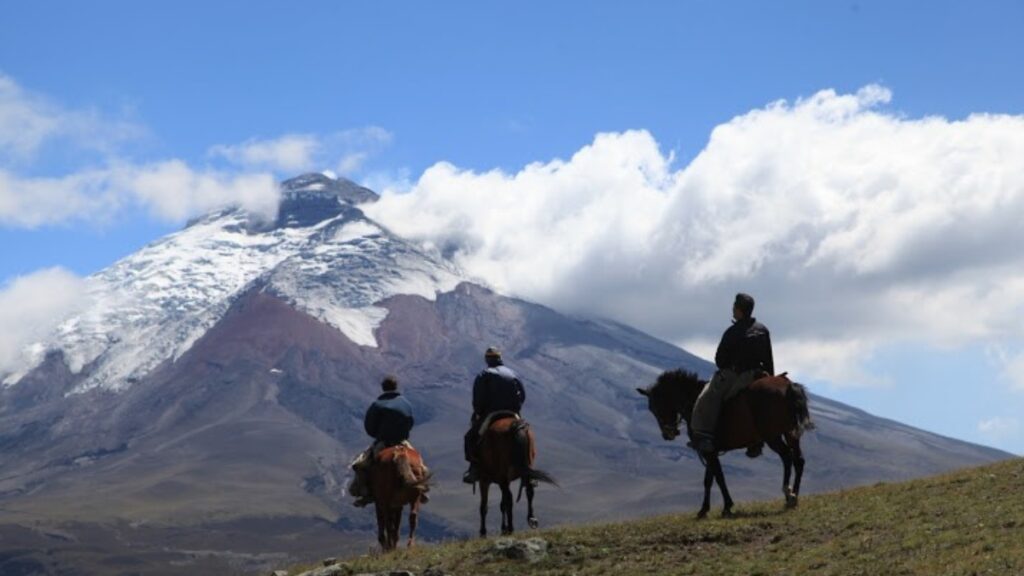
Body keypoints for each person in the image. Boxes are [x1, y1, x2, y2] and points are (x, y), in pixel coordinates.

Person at [689, 293, 774, 455]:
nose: (733, 310)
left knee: (709, 396)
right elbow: (769, 358)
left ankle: (705, 436)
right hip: (759, 373)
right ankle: (758, 442)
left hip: (737, 374)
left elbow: (720, 359)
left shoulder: (733, 331)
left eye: (734, 307)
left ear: (739, 310)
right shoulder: (763, 330)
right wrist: (770, 376)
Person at [349, 375, 418, 507]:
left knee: (361, 465)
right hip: (402, 441)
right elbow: (410, 422)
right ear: (396, 387)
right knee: (419, 463)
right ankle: (421, 488)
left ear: (383, 388)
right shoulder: (406, 404)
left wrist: (378, 434)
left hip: (383, 442)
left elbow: (369, 427)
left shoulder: (377, 405)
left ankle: (365, 492)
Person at [462, 347, 526, 484]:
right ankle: (528, 471)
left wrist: (478, 412)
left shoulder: (484, 374)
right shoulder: (513, 373)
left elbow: (478, 398)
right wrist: (516, 408)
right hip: (513, 412)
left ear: (487, 359)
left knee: (470, 437)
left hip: (491, 412)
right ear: (500, 358)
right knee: (525, 435)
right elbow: (522, 394)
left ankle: (474, 468)